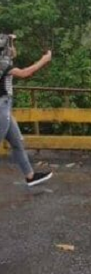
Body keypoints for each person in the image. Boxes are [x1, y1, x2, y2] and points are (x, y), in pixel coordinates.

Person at [0, 33, 54, 187]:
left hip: (5, 107)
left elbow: (12, 54)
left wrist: (9, 39)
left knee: (17, 143)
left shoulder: (4, 62)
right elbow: (25, 73)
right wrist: (44, 60)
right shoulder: (2, 64)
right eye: (10, 46)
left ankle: (30, 176)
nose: (13, 48)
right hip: (1, 108)